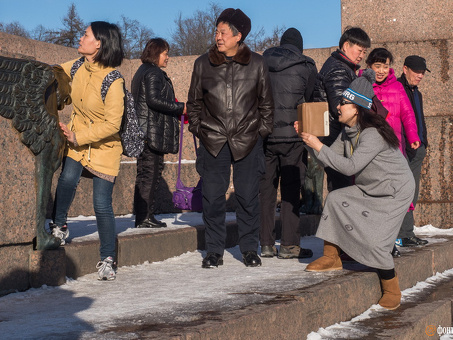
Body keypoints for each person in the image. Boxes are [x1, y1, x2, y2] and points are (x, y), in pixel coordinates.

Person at [297, 69, 415, 310]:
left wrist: (319, 145)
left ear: (357, 108)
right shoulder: (348, 132)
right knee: (337, 198)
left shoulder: (371, 134)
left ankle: (391, 287)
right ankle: (331, 257)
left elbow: (350, 167)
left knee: (376, 242)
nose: (338, 106)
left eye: (343, 102)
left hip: (395, 192)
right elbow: (327, 160)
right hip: (370, 187)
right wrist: (308, 141)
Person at [187, 8, 274, 268]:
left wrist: (260, 133)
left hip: (248, 140)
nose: (218, 37)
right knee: (213, 199)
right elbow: (194, 104)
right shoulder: (203, 63)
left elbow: (267, 106)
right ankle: (214, 251)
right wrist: (200, 129)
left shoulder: (257, 63)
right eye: (217, 31)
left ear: (238, 36)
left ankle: (249, 249)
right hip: (213, 140)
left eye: (223, 32)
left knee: (248, 198)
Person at [50, 21, 125, 280]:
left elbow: (113, 124)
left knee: (101, 204)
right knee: (67, 180)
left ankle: (107, 259)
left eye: (86, 35)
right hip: (77, 142)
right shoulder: (79, 65)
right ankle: (58, 226)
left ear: (99, 44)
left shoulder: (113, 80)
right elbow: (54, 73)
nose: (81, 38)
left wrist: (78, 135)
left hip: (104, 148)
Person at [259, 28, 316, 259]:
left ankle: (265, 244)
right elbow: (310, 99)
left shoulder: (262, 62)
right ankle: (290, 245)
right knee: (291, 191)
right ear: (299, 46)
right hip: (294, 136)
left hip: (266, 136)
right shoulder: (306, 65)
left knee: (266, 191)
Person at [131, 38, 185, 228]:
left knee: (146, 174)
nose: (168, 57)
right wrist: (181, 108)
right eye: (165, 53)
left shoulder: (143, 71)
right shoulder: (153, 72)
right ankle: (144, 217)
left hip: (146, 132)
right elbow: (154, 100)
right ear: (156, 53)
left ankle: (143, 216)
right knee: (150, 175)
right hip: (151, 134)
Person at [313, 26, 371, 192]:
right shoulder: (338, 69)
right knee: (342, 192)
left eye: (364, 52)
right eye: (359, 50)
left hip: (335, 137)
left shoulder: (343, 67)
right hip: (336, 139)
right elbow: (341, 106)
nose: (361, 55)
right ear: (346, 46)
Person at [396, 56, 430, 247]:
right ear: (405, 69)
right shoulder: (398, 89)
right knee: (403, 191)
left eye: (423, 72)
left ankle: (407, 232)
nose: (420, 76)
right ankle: (401, 233)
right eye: (417, 71)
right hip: (402, 150)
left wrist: (424, 142)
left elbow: (419, 120)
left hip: (417, 150)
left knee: (412, 192)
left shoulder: (417, 93)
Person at [363, 48, 420, 156]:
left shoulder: (397, 86)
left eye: (386, 67)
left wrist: (412, 135)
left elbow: (407, 113)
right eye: (377, 66)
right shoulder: (361, 85)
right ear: (369, 65)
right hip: (370, 145)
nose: (381, 71)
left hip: (395, 144)